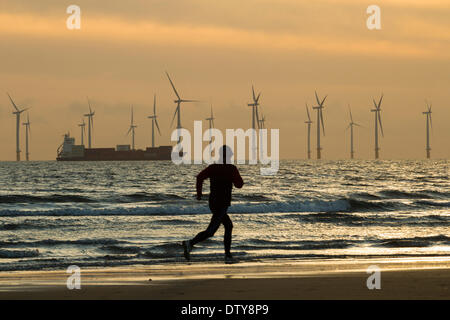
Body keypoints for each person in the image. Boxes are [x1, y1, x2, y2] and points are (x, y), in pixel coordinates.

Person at [182, 145, 244, 260]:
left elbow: (199, 177)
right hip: (222, 204)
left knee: (228, 226)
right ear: (228, 155)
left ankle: (227, 254)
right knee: (211, 231)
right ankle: (190, 243)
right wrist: (237, 179)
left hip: (213, 203)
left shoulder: (213, 167)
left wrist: (199, 194)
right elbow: (239, 185)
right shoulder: (231, 168)